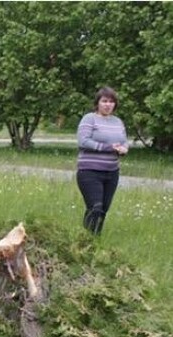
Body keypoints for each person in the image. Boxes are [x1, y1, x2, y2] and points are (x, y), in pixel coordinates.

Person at [76, 86, 129, 235]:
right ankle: (86, 241)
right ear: (98, 103)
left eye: (111, 102)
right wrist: (108, 147)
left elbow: (124, 142)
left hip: (112, 173)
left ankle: (93, 240)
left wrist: (124, 149)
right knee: (95, 207)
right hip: (90, 172)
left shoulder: (118, 122)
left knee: (103, 210)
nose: (108, 105)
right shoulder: (89, 118)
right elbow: (83, 141)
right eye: (104, 101)